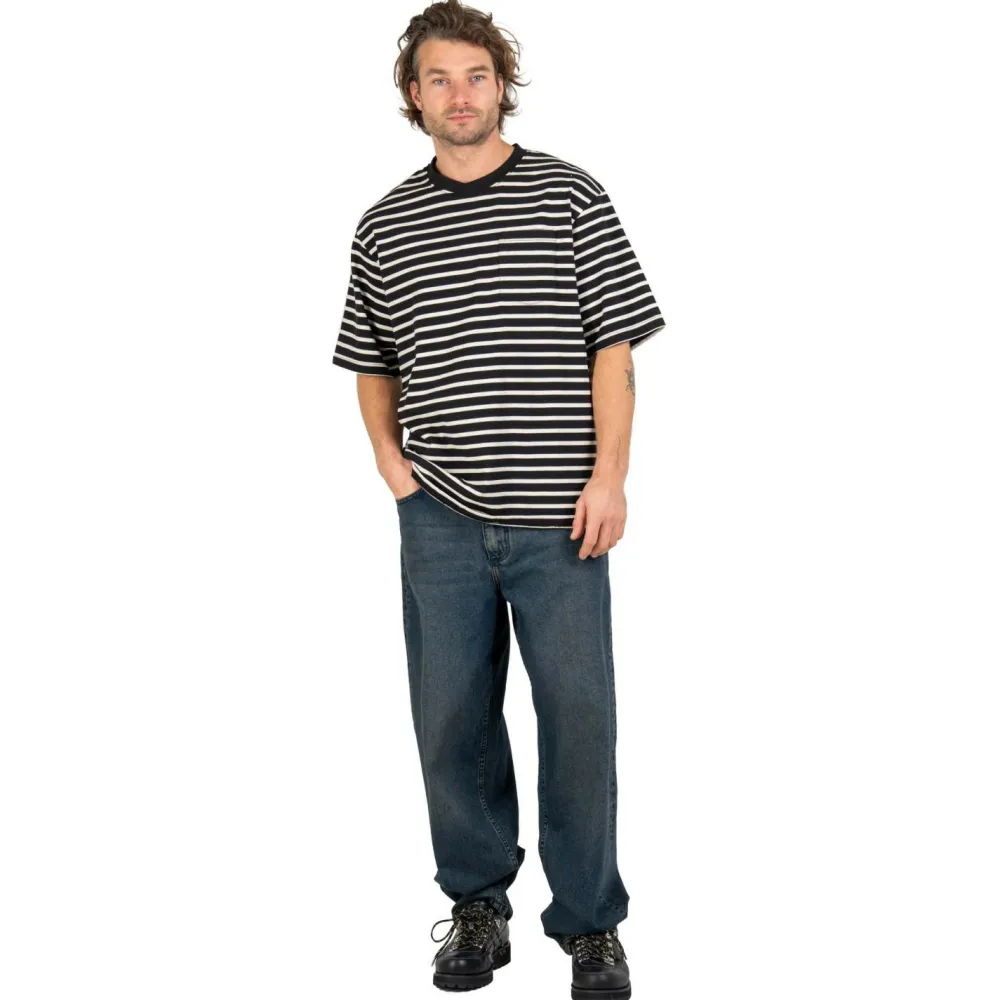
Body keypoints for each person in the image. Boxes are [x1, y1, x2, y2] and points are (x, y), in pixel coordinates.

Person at [332, 3, 665, 996]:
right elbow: (371, 360)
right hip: (438, 517)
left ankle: (591, 924)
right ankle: (478, 908)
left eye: (475, 75)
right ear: (413, 94)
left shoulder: (570, 195)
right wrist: (391, 464)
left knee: (579, 721)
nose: (459, 94)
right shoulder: (384, 223)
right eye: (438, 78)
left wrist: (609, 476)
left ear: (501, 83)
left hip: (561, 516)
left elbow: (614, 345)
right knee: (451, 722)